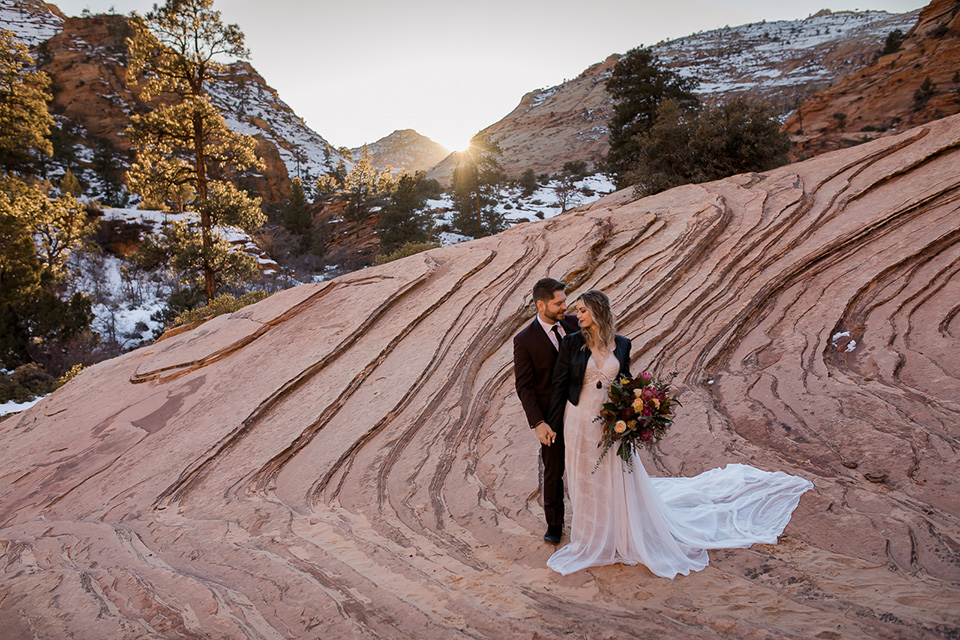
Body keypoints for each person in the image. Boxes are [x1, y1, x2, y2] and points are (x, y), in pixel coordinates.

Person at [546, 290, 813, 577]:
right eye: (577, 310)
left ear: (598, 311)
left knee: (615, 474)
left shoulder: (621, 344)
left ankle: (618, 533)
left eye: (583, 310)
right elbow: (559, 384)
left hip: (611, 420)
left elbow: (625, 382)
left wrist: (633, 412)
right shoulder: (572, 343)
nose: (578, 315)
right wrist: (550, 424)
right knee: (584, 475)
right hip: (578, 418)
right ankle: (590, 537)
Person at [513, 278, 579, 544]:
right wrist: (538, 422)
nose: (565, 306)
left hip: (581, 408)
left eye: (564, 300)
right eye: (558, 302)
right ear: (541, 305)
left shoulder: (576, 324)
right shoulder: (524, 340)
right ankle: (555, 524)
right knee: (553, 469)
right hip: (550, 416)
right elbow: (524, 386)